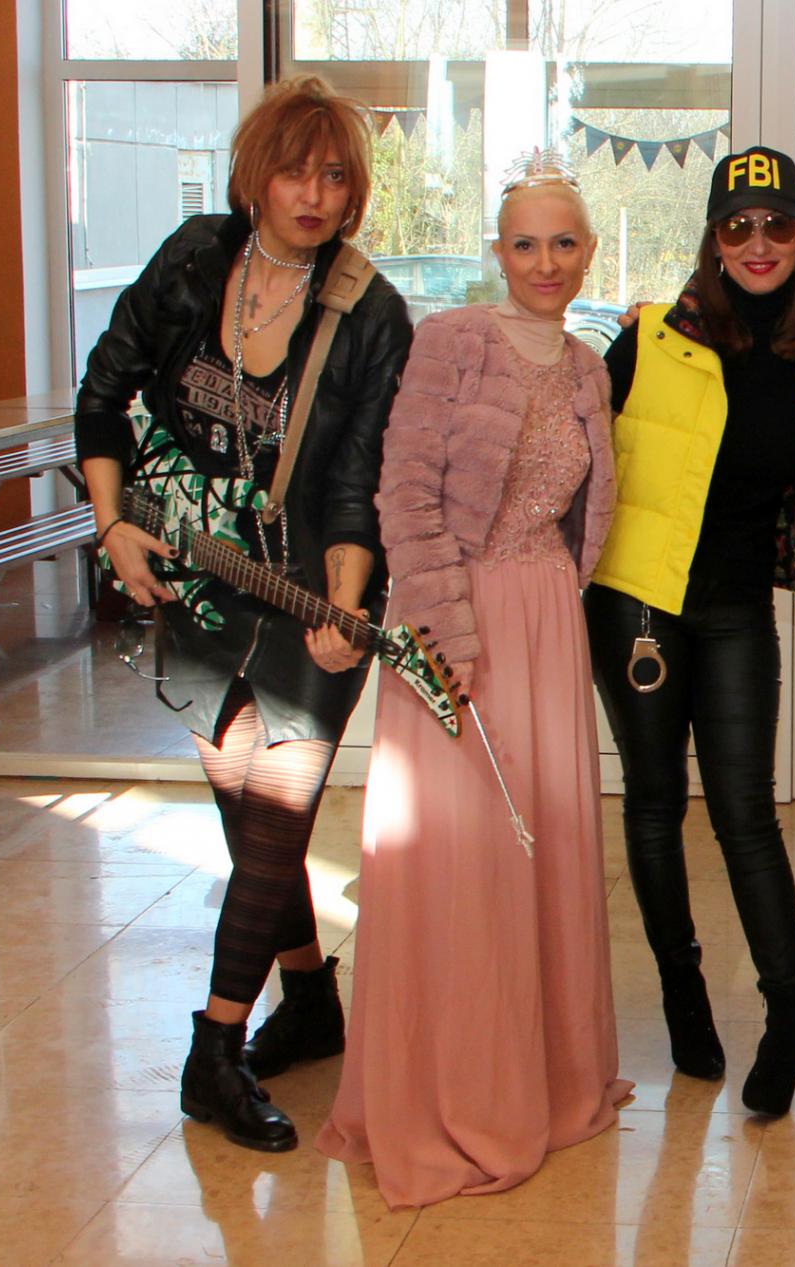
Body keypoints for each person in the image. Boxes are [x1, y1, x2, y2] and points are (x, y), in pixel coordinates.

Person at [75, 76, 411, 1153]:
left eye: (335, 176)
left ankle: (211, 1051)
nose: (314, 195)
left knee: (276, 810)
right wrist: (113, 525)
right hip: (197, 579)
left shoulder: (370, 312)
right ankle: (308, 1000)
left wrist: (345, 607)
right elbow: (102, 392)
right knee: (249, 817)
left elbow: (358, 477)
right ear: (254, 175)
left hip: (313, 589)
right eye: (294, 171)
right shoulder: (192, 261)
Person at [317, 152, 630, 1205]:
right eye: (526, 243)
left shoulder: (588, 366)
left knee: (542, 848)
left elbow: (585, 512)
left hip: (547, 617)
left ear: (588, 252)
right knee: (459, 862)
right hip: (454, 621)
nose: (546, 262)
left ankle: (545, 1080)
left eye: (564, 242)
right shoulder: (451, 341)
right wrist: (443, 632)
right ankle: (452, 1093)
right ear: (498, 252)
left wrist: (559, 600)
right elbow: (402, 493)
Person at [584, 146, 795, 1118]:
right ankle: (682, 992)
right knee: (654, 802)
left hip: (740, 606)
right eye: (737, 226)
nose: (758, 242)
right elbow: (562, 437)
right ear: (712, 239)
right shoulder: (650, 338)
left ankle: (788, 1008)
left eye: (777, 223)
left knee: (746, 811)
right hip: (636, 601)